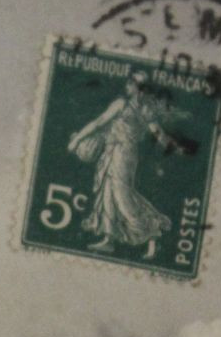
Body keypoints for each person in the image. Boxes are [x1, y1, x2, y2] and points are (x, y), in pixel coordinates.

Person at [66, 72, 189, 258]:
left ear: (137, 88)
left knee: (122, 197)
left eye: (130, 83)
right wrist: (175, 147)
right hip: (113, 152)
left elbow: (158, 135)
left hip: (124, 154)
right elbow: (100, 123)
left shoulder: (132, 107)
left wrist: (77, 140)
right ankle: (109, 240)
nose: (127, 86)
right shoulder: (133, 106)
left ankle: (151, 232)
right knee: (108, 193)